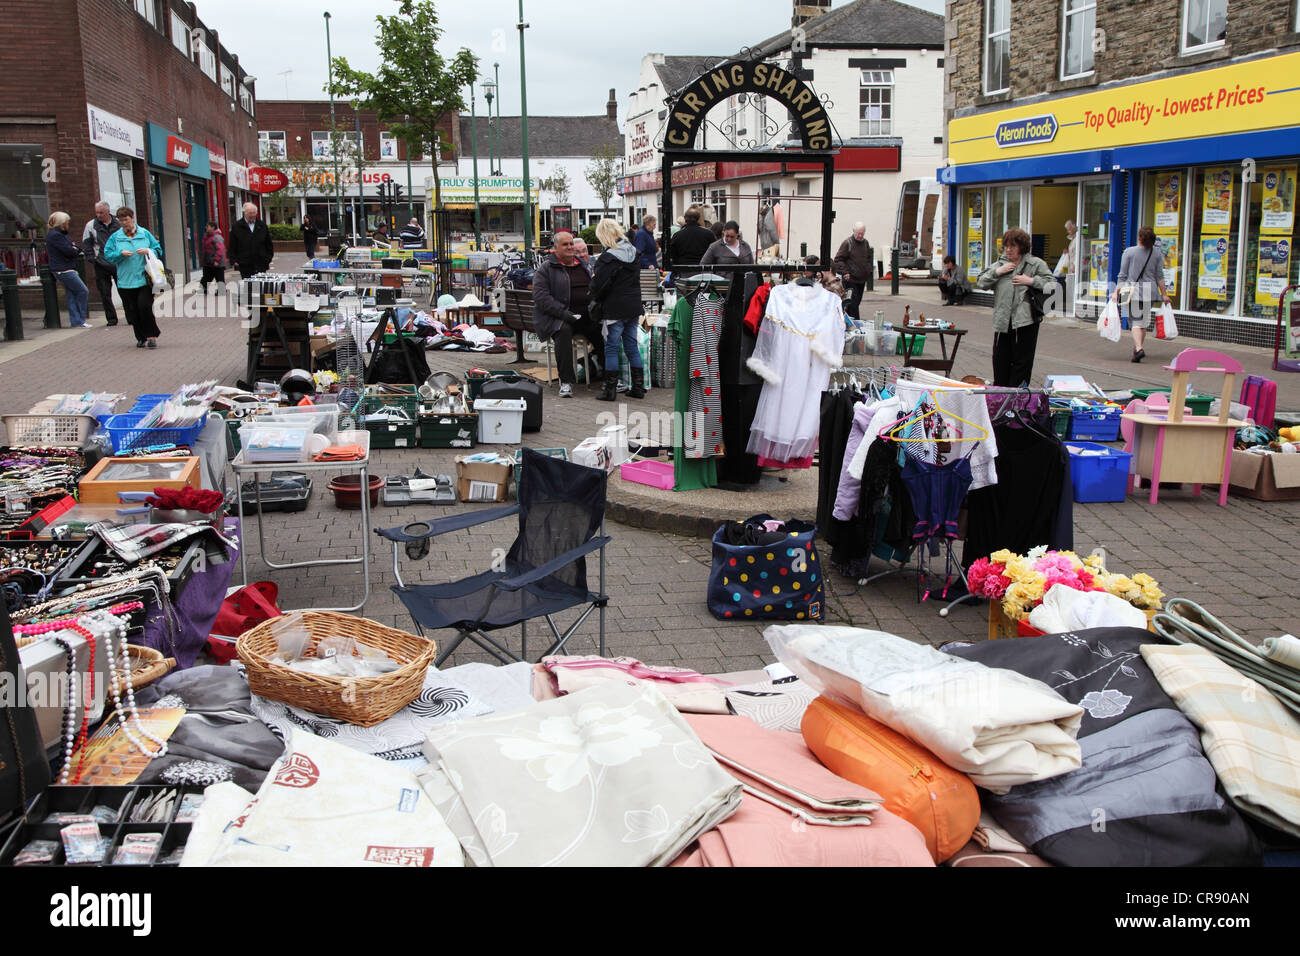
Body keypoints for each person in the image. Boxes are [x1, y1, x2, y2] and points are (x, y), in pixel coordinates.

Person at [977, 227, 1056, 387]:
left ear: (1022, 246)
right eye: (1006, 246)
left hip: (1026, 322)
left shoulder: (1035, 264)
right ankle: (1000, 402)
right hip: (1003, 323)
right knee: (1000, 363)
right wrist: (998, 272)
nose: (1008, 250)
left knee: (1022, 365)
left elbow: (1052, 284)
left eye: (1012, 246)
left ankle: (1018, 403)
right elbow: (981, 282)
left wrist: (1031, 281)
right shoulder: (1000, 264)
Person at [532, 230, 604, 397]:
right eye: (565, 244)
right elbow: (541, 298)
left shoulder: (584, 266)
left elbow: (594, 290)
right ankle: (566, 382)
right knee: (563, 332)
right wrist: (563, 314)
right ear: (555, 248)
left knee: (604, 330)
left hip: (585, 315)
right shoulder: (546, 269)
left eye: (571, 244)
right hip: (558, 317)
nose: (570, 247)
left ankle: (606, 375)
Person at [590, 219, 645, 402]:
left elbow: (599, 286)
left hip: (614, 309)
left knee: (611, 348)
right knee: (632, 347)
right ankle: (638, 387)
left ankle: (609, 390)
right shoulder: (634, 253)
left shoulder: (608, 258)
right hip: (633, 306)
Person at [103, 207, 163, 348]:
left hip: (144, 279)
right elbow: (107, 254)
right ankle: (140, 337)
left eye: (126, 219)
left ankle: (151, 336)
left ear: (132, 218)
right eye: (121, 220)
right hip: (125, 281)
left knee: (145, 307)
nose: (124, 223)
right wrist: (120, 254)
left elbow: (158, 249)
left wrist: (148, 250)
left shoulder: (144, 234)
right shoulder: (115, 237)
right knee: (133, 311)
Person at [1113, 225, 1170, 363]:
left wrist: (1116, 292)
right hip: (1150, 291)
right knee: (1142, 322)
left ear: (1139, 237)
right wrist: (1164, 294)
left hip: (1133, 291)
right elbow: (1159, 275)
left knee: (1135, 322)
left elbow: (1122, 275)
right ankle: (1137, 349)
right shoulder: (1156, 253)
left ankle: (1138, 348)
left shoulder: (1129, 252)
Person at [45, 212, 91, 328]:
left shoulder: (62, 234)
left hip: (66, 268)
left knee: (72, 294)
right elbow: (70, 251)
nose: (68, 224)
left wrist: (74, 248)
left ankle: (76, 321)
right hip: (63, 269)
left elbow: (76, 247)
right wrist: (74, 249)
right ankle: (79, 319)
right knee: (82, 290)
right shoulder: (55, 235)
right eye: (66, 222)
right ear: (61, 223)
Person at [81, 201, 120, 326]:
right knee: (104, 293)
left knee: (125, 290)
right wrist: (92, 259)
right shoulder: (91, 225)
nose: (98, 215)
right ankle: (111, 319)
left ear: (108, 212)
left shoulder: (118, 223)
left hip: (118, 262)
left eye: (101, 212)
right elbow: (86, 244)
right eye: (97, 212)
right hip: (101, 263)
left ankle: (131, 317)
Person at [833, 222, 873, 320]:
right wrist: (845, 272)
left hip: (861, 279)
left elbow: (868, 258)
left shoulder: (865, 243)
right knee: (852, 304)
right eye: (858, 233)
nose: (860, 236)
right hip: (851, 279)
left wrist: (868, 270)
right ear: (853, 231)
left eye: (862, 233)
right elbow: (838, 259)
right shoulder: (847, 243)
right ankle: (855, 325)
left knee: (856, 303)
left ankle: (849, 322)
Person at [227, 202, 273, 279]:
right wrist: (234, 259)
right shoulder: (237, 226)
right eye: (250, 213)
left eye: (254, 213)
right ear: (245, 213)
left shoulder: (262, 225)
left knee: (260, 286)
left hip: (261, 262)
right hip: (245, 263)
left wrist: (268, 258)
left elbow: (268, 244)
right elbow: (232, 245)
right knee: (249, 287)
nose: (252, 215)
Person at [201, 221, 226, 293]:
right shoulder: (207, 236)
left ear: (213, 227)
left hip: (216, 262)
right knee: (206, 276)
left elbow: (220, 249)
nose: (206, 228)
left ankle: (221, 291)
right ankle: (203, 289)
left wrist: (216, 260)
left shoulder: (217, 237)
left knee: (219, 277)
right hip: (208, 261)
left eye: (208, 226)